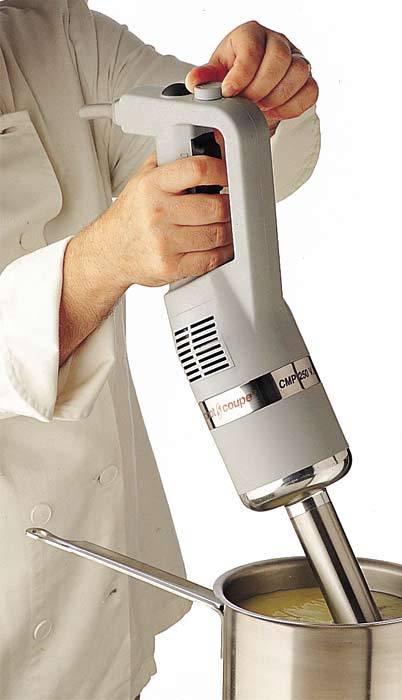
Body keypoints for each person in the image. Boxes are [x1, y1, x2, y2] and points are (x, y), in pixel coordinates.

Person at [0, 1, 320, 698]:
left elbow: (245, 152)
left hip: (97, 608)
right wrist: (100, 261)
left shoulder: (53, 35)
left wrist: (256, 100)